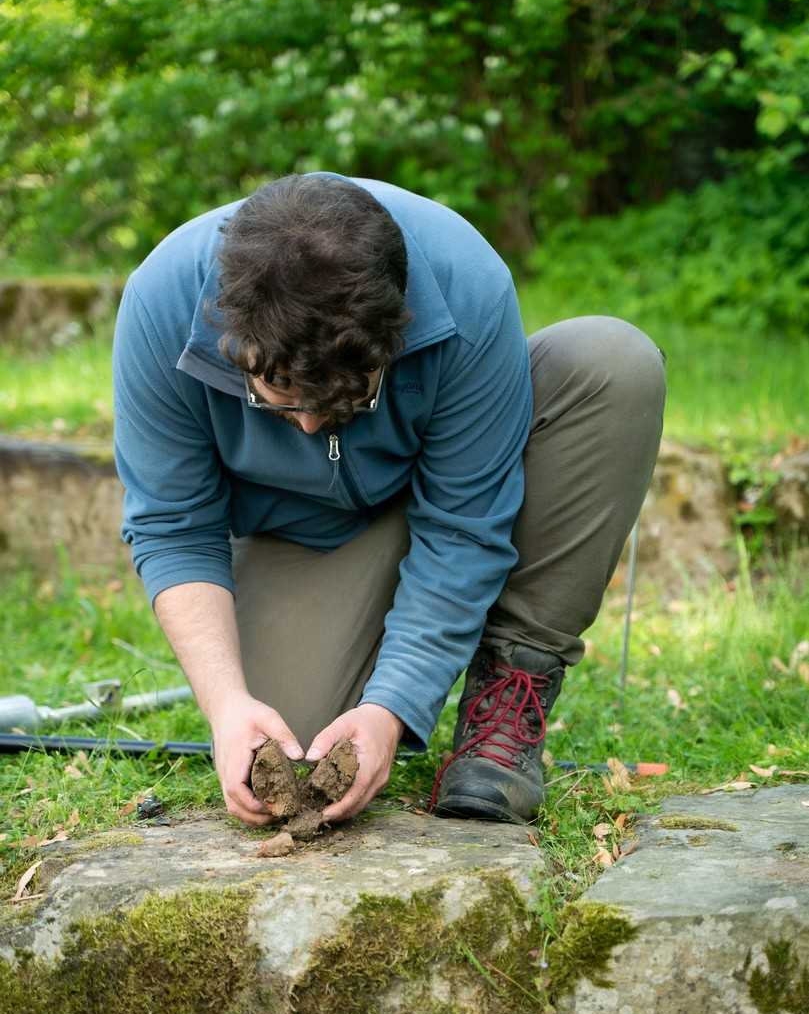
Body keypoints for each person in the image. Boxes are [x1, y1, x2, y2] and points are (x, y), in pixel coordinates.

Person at [113, 172, 665, 829]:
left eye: (345, 398)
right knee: (304, 761)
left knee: (611, 362)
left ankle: (506, 694)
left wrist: (390, 706)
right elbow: (175, 527)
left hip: (448, 486)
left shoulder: (465, 281)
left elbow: (463, 523)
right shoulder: (160, 303)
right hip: (299, 537)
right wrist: (226, 704)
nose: (312, 427)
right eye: (278, 398)